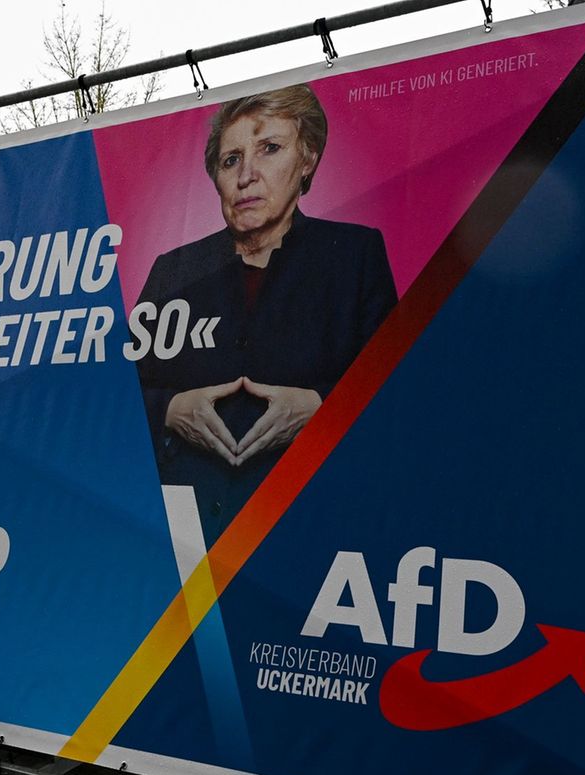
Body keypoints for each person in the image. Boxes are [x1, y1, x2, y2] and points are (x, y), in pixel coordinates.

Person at [136, 84, 398, 541]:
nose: (247, 176)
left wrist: (321, 408)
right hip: (178, 531)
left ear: (307, 160)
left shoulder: (355, 256)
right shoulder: (174, 270)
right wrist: (170, 409)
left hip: (308, 525)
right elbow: (116, 393)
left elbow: (401, 390)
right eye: (231, 159)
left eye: (270, 149)